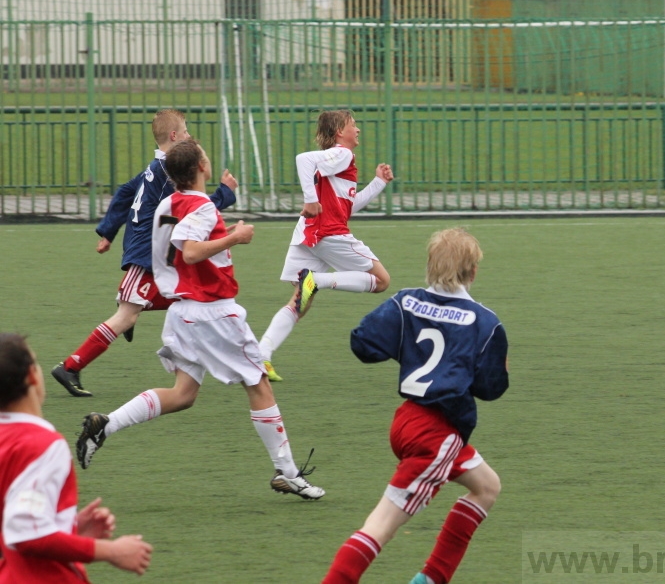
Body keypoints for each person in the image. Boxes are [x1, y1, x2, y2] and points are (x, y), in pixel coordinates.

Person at [75, 139, 324, 501]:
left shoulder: (168, 203)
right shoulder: (204, 207)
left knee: (183, 395)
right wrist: (236, 237)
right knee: (258, 384)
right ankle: (286, 473)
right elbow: (189, 251)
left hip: (182, 312)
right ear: (201, 167)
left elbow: (175, 245)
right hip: (212, 311)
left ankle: (105, 425)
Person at [322, 228, 509, 584]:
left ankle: (431, 578)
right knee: (381, 526)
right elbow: (490, 389)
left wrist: (409, 346)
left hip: (406, 421)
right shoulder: (485, 321)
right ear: (473, 272)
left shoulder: (405, 301)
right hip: (438, 434)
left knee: (486, 485)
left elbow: (363, 344)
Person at [50, 108, 254, 398]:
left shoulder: (154, 167)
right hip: (148, 253)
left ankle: (241, 361)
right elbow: (196, 205)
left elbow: (124, 192)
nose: (189, 136)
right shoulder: (167, 173)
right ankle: (70, 366)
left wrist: (108, 230)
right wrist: (225, 193)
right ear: (174, 136)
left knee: (186, 297)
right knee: (126, 316)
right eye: (185, 132)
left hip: (155, 252)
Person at [0, 332, 153, 582]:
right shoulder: (42, 445)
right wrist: (110, 551)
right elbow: (26, 534)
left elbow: (12, 526)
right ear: (32, 377)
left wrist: (68, 528)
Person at [257, 109, 393, 382]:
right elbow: (302, 159)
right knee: (381, 281)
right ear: (339, 132)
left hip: (308, 233)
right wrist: (309, 198)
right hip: (328, 233)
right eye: (353, 124)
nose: (358, 129)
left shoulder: (335, 162)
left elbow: (347, 207)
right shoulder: (343, 154)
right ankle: (317, 279)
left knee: (300, 302)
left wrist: (378, 182)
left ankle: (262, 354)